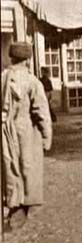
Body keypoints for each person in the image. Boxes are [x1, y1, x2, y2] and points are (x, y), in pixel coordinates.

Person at [1, 42, 52, 231]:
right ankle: (25, 203)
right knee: (27, 164)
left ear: (11, 58)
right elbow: (41, 112)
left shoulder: (3, 77)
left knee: (9, 164)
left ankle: (12, 200)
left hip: (5, 128)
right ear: (28, 60)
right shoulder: (32, 82)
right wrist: (47, 138)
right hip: (26, 129)